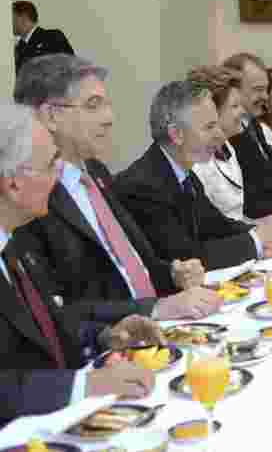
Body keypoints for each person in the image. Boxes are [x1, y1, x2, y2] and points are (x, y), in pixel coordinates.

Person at [12, 55, 219, 321]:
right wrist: (156, 309)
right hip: (110, 346)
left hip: (157, 325)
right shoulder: (29, 196)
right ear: (51, 116)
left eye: (106, 104)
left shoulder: (96, 172)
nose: (109, 117)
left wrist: (172, 273)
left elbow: (129, 265)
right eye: (93, 105)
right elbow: (55, 313)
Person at [0, 103, 163, 426]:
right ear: (13, 184)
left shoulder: (14, 243)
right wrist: (83, 385)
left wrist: (104, 335)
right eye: (50, 163)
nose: (60, 171)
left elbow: (48, 325)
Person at [114, 81, 272, 270]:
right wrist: (254, 243)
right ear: (176, 135)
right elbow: (185, 256)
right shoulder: (142, 186)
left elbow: (217, 225)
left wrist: (260, 232)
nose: (220, 135)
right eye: (209, 127)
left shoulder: (184, 173)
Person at [188, 65, 272, 229]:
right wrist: (253, 230)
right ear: (212, 112)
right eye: (234, 106)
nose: (242, 111)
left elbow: (235, 214)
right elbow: (210, 227)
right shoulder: (196, 163)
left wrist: (257, 223)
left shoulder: (228, 146)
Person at [223, 53, 272, 219]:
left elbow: (269, 181)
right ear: (233, 88)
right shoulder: (226, 133)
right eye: (258, 90)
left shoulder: (252, 124)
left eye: (266, 89)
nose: (265, 96)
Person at [12, 1, 73, 74]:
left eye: (12, 17)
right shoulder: (18, 48)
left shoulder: (52, 37)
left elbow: (71, 66)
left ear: (23, 18)